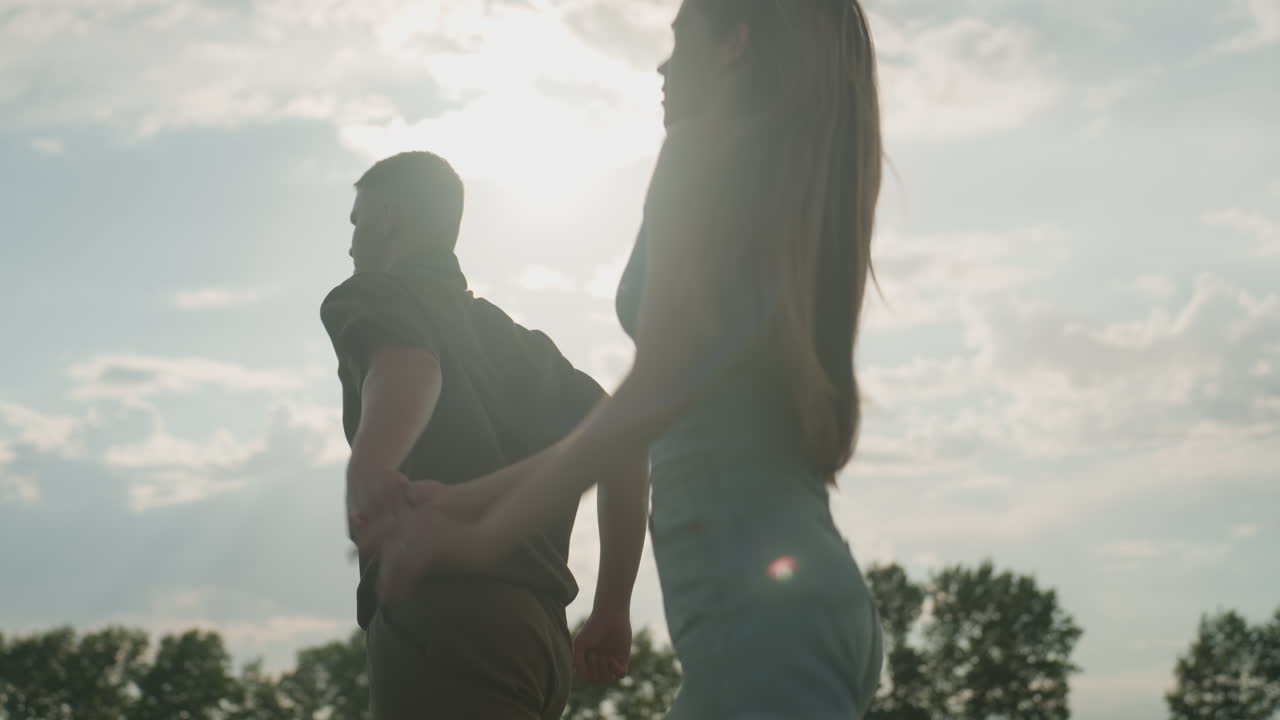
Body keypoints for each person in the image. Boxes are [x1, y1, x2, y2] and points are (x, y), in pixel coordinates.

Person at [380, 0, 887, 716]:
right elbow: (669, 410)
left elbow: (652, 390)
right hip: (809, 610)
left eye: (680, 41)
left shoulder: (699, 151)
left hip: (756, 623)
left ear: (735, 44)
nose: (663, 63)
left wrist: (482, 538)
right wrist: (459, 502)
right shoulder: (787, 193)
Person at [320, 151, 649, 720]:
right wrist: (612, 610)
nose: (351, 245)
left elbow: (411, 365)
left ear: (391, 218)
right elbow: (624, 446)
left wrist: (371, 466)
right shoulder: (525, 349)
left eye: (357, 223)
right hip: (540, 641)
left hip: (444, 617)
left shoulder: (373, 294)